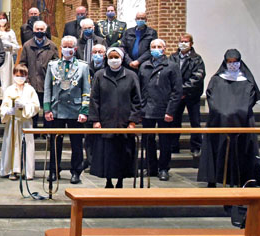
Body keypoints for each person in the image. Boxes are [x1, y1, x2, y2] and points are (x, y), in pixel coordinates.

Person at [198, 49, 260, 187]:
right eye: (229, 62)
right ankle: (214, 178)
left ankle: (244, 179)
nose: (232, 64)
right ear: (225, 62)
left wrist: (236, 113)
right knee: (217, 149)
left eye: (235, 62)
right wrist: (223, 113)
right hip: (219, 120)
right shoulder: (216, 80)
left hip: (243, 121)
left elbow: (250, 100)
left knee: (243, 150)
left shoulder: (247, 81)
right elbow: (212, 98)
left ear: (240, 62)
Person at [89, 47, 142, 188]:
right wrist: (95, 120)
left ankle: (120, 181)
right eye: (111, 57)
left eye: (116, 57)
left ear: (122, 58)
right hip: (105, 121)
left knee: (122, 154)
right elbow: (94, 99)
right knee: (107, 154)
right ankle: (108, 181)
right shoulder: (100, 75)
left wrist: (132, 121)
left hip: (124, 122)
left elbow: (137, 99)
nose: (114, 60)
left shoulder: (131, 76)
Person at [43, 35, 91, 184]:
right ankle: (54, 170)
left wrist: (84, 111)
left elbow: (86, 90)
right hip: (57, 108)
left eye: (71, 47)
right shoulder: (53, 65)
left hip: (75, 110)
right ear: (61, 48)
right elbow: (47, 88)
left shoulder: (83, 66)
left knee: (76, 144)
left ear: (75, 49)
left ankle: (76, 171)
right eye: (65, 46)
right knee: (55, 143)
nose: (68, 49)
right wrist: (47, 109)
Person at [138, 38, 182, 181]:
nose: (156, 48)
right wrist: (140, 108)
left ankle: (164, 168)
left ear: (164, 48)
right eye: (153, 46)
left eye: (159, 46)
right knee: (148, 141)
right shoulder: (144, 66)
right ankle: (151, 167)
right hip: (147, 109)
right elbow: (139, 89)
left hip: (164, 109)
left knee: (165, 141)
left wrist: (170, 111)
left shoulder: (172, 66)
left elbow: (177, 91)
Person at [0, 65, 39, 180]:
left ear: (26, 76)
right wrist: (8, 110)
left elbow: (35, 106)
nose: (19, 78)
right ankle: (12, 170)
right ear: (13, 75)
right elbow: (4, 106)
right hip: (13, 121)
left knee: (27, 145)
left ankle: (27, 171)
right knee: (12, 144)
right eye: (17, 75)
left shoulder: (30, 90)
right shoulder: (9, 89)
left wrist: (25, 106)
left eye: (22, 75)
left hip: (25, 121)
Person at [168, 33, 205, 157]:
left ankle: (196, 146)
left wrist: (182, 91)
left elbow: (197, 77)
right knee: (174, 122)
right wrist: (177, 92)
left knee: (195, 121)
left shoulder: (197, 59)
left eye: (186, 41)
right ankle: (173, 145)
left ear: (191, 44)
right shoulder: (172, 57)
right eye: (181, 41)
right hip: (176, 96)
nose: (183, 43)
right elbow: (168, 75)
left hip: (191, 95)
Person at [19, 20, 58, 127]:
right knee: (32, 109)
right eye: (37, 29)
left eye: (42, 29)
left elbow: (56, 65)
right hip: (32, 82)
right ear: (33, 30)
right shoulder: (27, 45)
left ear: (45, 30)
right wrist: (26, 80)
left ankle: (47, 132)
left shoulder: (52, 45)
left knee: (47, 108)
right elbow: (22, 64)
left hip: (47, 83)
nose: (39, 31)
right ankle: (33, 131)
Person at [0, 12, 20, 92]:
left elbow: (16, 46)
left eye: (4, 18)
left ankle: (6, 96)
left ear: (7, 20)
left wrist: (9, 44)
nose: (2, 20)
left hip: (7, 55)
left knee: (6, 77)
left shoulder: (10, 32)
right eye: (0, 18)